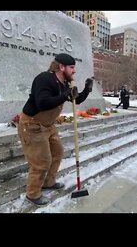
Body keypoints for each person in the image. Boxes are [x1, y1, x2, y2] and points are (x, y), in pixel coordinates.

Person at [18, 53, 93, 206]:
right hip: (32, 125)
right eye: (71, 67)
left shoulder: (65, 83)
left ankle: (48, 182)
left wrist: (86, 90)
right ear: (61, 67)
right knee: (41, 161)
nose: (74, 71)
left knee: (57, 152)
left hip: (48, 125)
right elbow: (42, 103)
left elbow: (75, 99)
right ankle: (32, 194)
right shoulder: (44, 79)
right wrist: (64, 95)